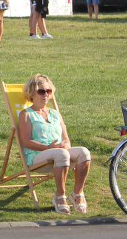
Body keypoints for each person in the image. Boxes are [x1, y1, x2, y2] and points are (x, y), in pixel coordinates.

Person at [17, 74, 90, 215]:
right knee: (61, 153)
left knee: (84, 153)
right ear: (32, 93)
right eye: (42, 91)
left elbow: (66, 138)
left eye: (48, 91)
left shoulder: (55, 114)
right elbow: (26, 141)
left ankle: (77, 194)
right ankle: (59, 197)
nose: (46, 95)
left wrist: (65, 144)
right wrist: (48, 148)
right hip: (36, 155)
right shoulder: (26, 115)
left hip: (58, 152)